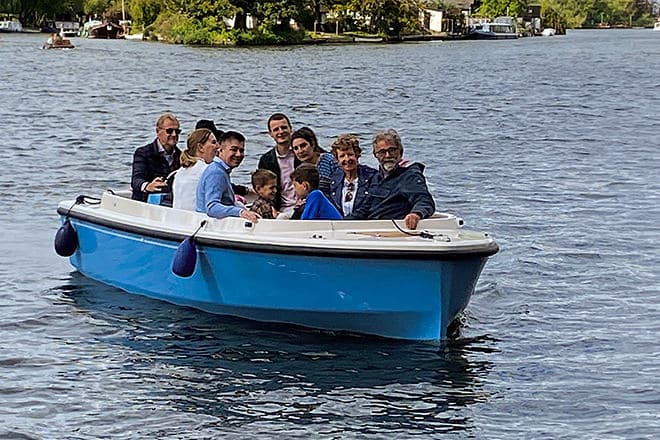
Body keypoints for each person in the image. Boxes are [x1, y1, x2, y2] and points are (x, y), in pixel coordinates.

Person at [347, 129, 435, 230]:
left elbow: (424, 200)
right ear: (376, 155)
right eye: (382, 152)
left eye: (392, 150)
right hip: (373, 228)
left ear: (400, 152)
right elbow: (365, 209)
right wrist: (342, 223)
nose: (388, 156)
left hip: (394, 229)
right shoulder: (376, 178)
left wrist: (415, 214)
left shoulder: (410, 176)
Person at [196, 131, 259, 222]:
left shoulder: (221, 170)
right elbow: (212, 207)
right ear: (221, 150)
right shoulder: (216, 172)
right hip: (208, 226)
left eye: (241, 150)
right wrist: (240, 212)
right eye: (234, 149)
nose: (238, 154)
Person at [131, 112, 182, 206]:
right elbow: (136, 180)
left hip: (170, 204)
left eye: (177, 131)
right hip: (144, 203)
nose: (174, 134)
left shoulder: (181, 156)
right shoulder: (143, 153)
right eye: (169, 131)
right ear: (158, 131)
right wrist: (148, 186)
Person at [257, 113, 300, 211]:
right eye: (276, 129)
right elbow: (264, 189)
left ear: (291, 129)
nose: (281, 132)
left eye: (284, 127)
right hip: (279, 209)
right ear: (270, 134)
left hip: (303, 206)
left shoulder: (301, 153)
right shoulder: (266, 160)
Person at [327, 134, 377, 217]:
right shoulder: (334, 179)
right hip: (338, 223)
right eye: (342, 156)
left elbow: (368, 206)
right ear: (337, 160)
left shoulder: (372, 176)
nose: (347, 159)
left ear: (357, 155)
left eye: (350, 154)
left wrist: (348, 221)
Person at [172, 128, 218, 211]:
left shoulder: (180, 172)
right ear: (200, 147)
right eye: (213, 142)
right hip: (197, 219)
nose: (217, 146)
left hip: (178, 217)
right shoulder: (208, 171)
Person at [290, 127, 339, 195]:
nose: (300, 151)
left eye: (303, 146)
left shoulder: (329, 160)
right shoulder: (300, 170)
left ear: (313, 144)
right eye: (296, 148)